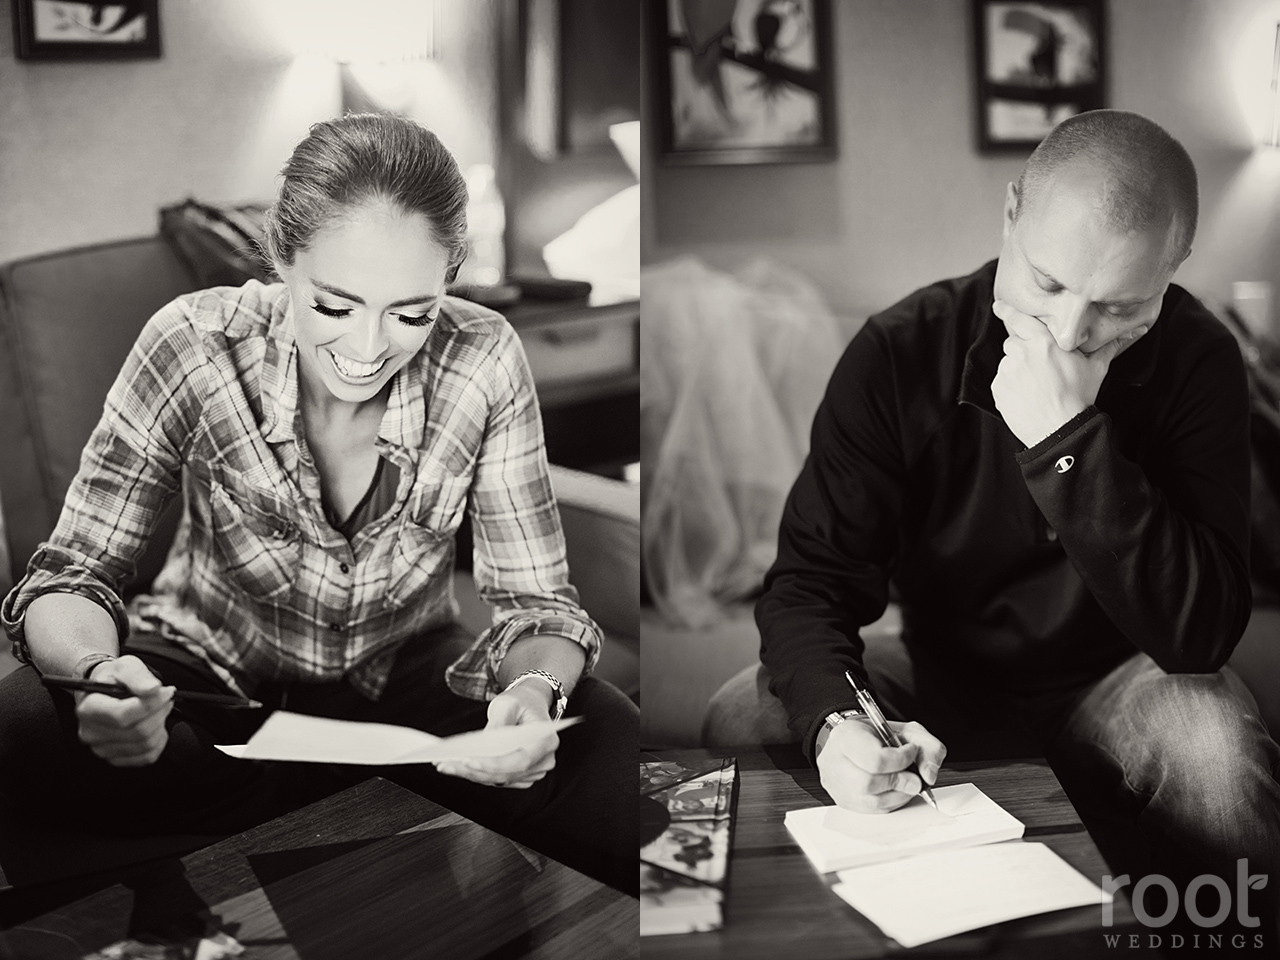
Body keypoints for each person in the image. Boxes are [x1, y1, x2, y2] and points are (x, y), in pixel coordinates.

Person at [0, 113, 636, 894]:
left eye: (412, 314)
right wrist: (100, 678)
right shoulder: (194, 343)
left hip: (404, 690)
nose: (368, 351)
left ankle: (315, 804)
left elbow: (536, 606)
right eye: (334, 307)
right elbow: (72, 571)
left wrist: (537, 695)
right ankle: (339, 805)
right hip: (209, 684)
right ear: (281, 259)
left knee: (608, 745)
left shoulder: (485, 357)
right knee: (23, 728)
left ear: (450, 278)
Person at [743, 110, 1279, 933]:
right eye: (1050, 284)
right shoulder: (897, 353)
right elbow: (809, 586)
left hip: (1121, 674)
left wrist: (1068, 443)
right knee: (746, 711)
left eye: (1120, 305)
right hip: (937, 670)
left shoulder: (1202, 358)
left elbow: (1200, 634)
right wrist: (840, 724)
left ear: (1173, 272)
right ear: (1010, 217)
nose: (1070, 335)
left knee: (1215, 748)